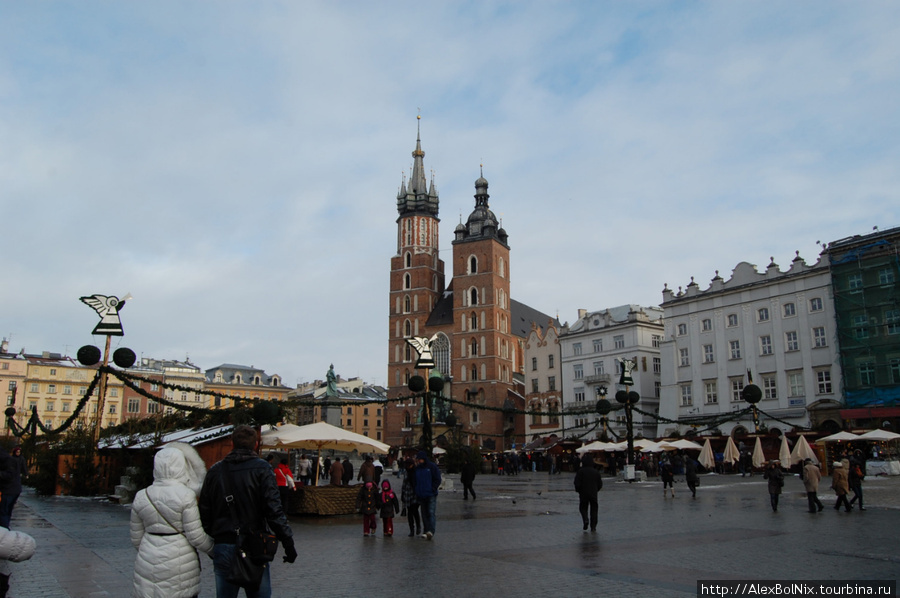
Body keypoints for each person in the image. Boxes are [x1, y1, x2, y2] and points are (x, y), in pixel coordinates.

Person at [199, 425, 297, 598]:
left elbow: (204, 512)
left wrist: (215, 538)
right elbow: (274, 511)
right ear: (256, 445)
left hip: (224, 543)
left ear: (231, 444)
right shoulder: (263, 469)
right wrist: (288, 543)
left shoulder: (215, 471)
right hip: (255, 545)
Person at [131, 444, 214, 598]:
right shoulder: (186, 495)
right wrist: (213, 549)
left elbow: (136, 538)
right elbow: (195, 536)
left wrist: (150, 550)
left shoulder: (142, 495)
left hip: (147, 558)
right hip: (180, 561)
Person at [414, 451, 441, 540]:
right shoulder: (418, 468)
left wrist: (433, 489)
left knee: (431, 512)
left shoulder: (432, 467)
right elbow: (416, 481)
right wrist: (417, 490)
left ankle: (431, 531)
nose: (419, 461)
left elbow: (437, 479)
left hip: (431, 494)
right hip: (421, 495)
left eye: (420, 459)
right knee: (424, 514)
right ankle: (426, 531)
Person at [573, 454, 602, 532]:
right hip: (593, 493)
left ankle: (585, 519)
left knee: (583, 507)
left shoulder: (581, 471)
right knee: (594, 509)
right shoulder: (596, 472)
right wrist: (596, 490)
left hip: (583, 493)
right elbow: (600, 484)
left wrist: (578, 490)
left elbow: (577, 483)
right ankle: (593, 526)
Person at [0, 447, 26, 529]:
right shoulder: (8, 460)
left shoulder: (8, 461)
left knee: (3, 513)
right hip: (11, 490)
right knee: (5, 512)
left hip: (9, 490)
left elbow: (9, 475)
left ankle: (4, 532)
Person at [401, 459, 421, 537]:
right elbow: (404, 484)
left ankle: (418, 526)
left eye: (409, 465)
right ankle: (411, 530)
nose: (408, 466)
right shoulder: (406, 472)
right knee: (409, 512)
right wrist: (402, 494)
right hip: (407, 494)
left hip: (415, 494)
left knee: (415, 511)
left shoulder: (416, 471)